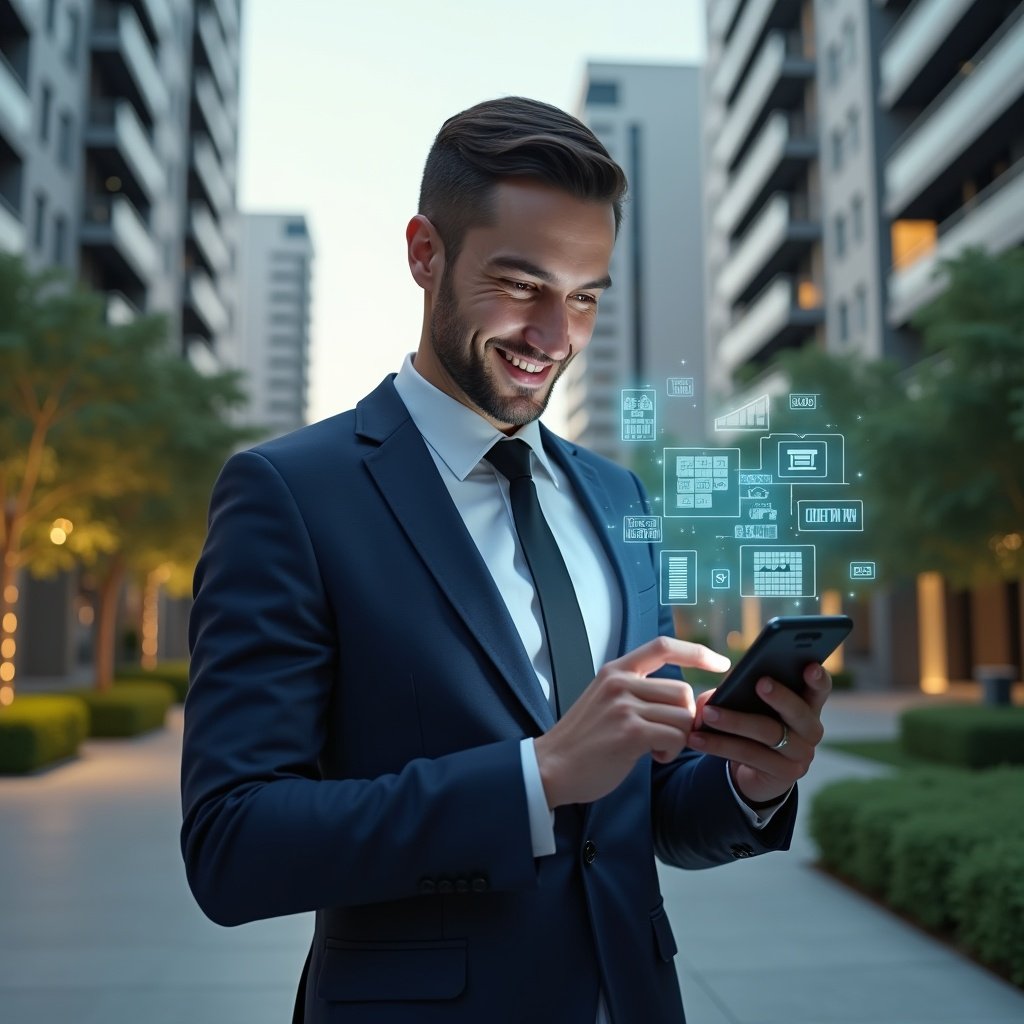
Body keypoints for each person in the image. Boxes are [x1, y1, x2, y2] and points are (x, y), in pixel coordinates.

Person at [180, 96, 832, 1024]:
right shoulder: (289, 495)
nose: (554, 336)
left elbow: (641, 808)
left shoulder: (618, 498)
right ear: (424, 254)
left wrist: (748, 777)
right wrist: (534, 777)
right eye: (521, 285)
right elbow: (233, 844)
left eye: (584, 297)